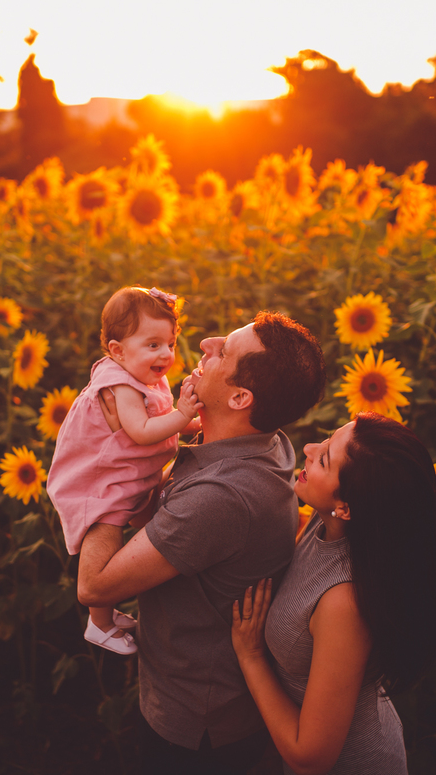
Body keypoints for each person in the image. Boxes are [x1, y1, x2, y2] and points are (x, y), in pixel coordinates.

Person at [77, 311, 327, 775]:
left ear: (239, 397)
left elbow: (94, 586)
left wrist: (104, 471)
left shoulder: (222, 499)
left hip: (196, 725)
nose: (207, 342)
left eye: (224, 351)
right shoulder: (264, 443)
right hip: (202, 695)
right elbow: (161, 517)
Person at [231, 412, 436, 775]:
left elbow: (310, 758)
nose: (309, 448)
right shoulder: (329, 523)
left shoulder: (344, 603)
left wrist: (251, 656)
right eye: (325, 441)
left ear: (345, 507)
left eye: (324, 459)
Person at [46, 286, 202, 654]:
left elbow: (158, 418)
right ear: (118, 351)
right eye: (153, 345)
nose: (165, 354)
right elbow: (142, 431)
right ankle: (98, 625)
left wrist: (189, 423)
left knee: (117, 530)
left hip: (122, 471)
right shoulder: (122, 386)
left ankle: (107, 613)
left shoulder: (143, 373)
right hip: (100, 479)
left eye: (170, 344)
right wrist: (182, 416)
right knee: (105, 533)